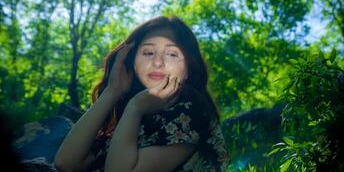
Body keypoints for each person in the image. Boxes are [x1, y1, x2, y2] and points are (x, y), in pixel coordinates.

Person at [54, 16, 230, 172]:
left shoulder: (191, 113)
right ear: (133, 61)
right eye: (148, 53)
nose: (158, 62)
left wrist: (135, 108)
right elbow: (65, 163)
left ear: (188, 67)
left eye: (171, 54)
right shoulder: (138, 109)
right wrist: (112, 91)